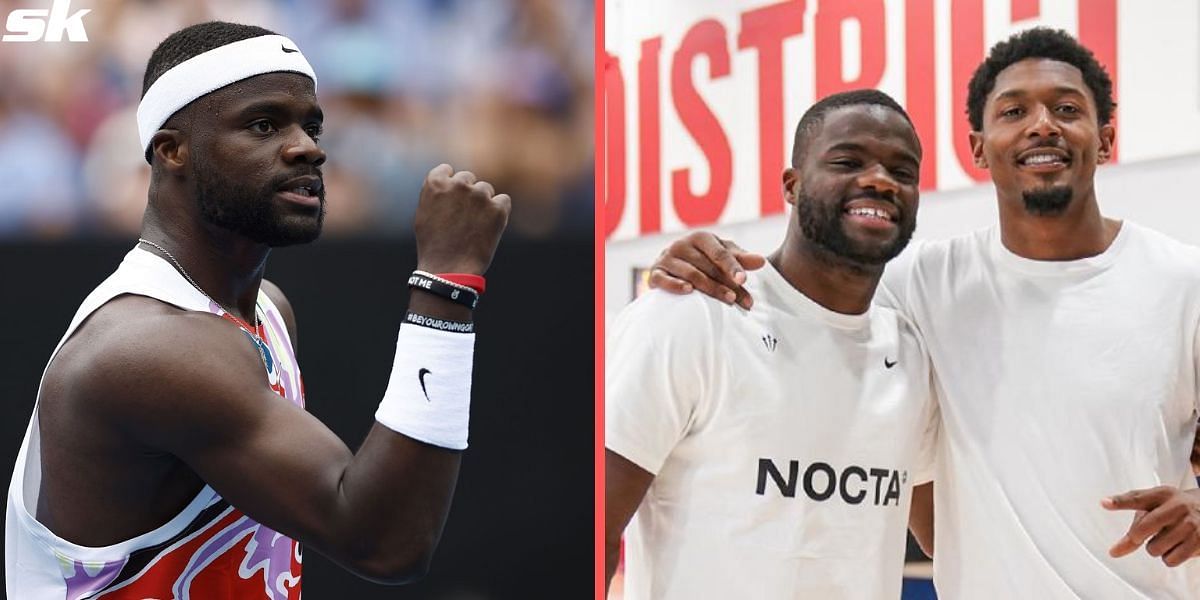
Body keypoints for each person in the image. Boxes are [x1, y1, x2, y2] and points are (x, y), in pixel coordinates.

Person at [650, 28, 1200, 597]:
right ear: (979, 147)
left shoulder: (1184, 282)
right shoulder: (917, 286)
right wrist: (703, 259)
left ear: (1106, 139)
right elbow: (805, 287)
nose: (1042, 125)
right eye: (1014, 111)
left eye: (1066, 108)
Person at [4, 22, 510, 599]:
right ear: (172, 151)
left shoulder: (266, 310)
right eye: (264, 124)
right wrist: (446, 283)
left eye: (311, 124)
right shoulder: (151, 345)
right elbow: (385, 542)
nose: (308, 147)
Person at [606, 89, 939, 599]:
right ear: (792, 184)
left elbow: (947, 534)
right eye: (848, 161)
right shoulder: (691, 315)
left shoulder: (912, 354)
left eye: (902, 171)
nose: (878, 181)